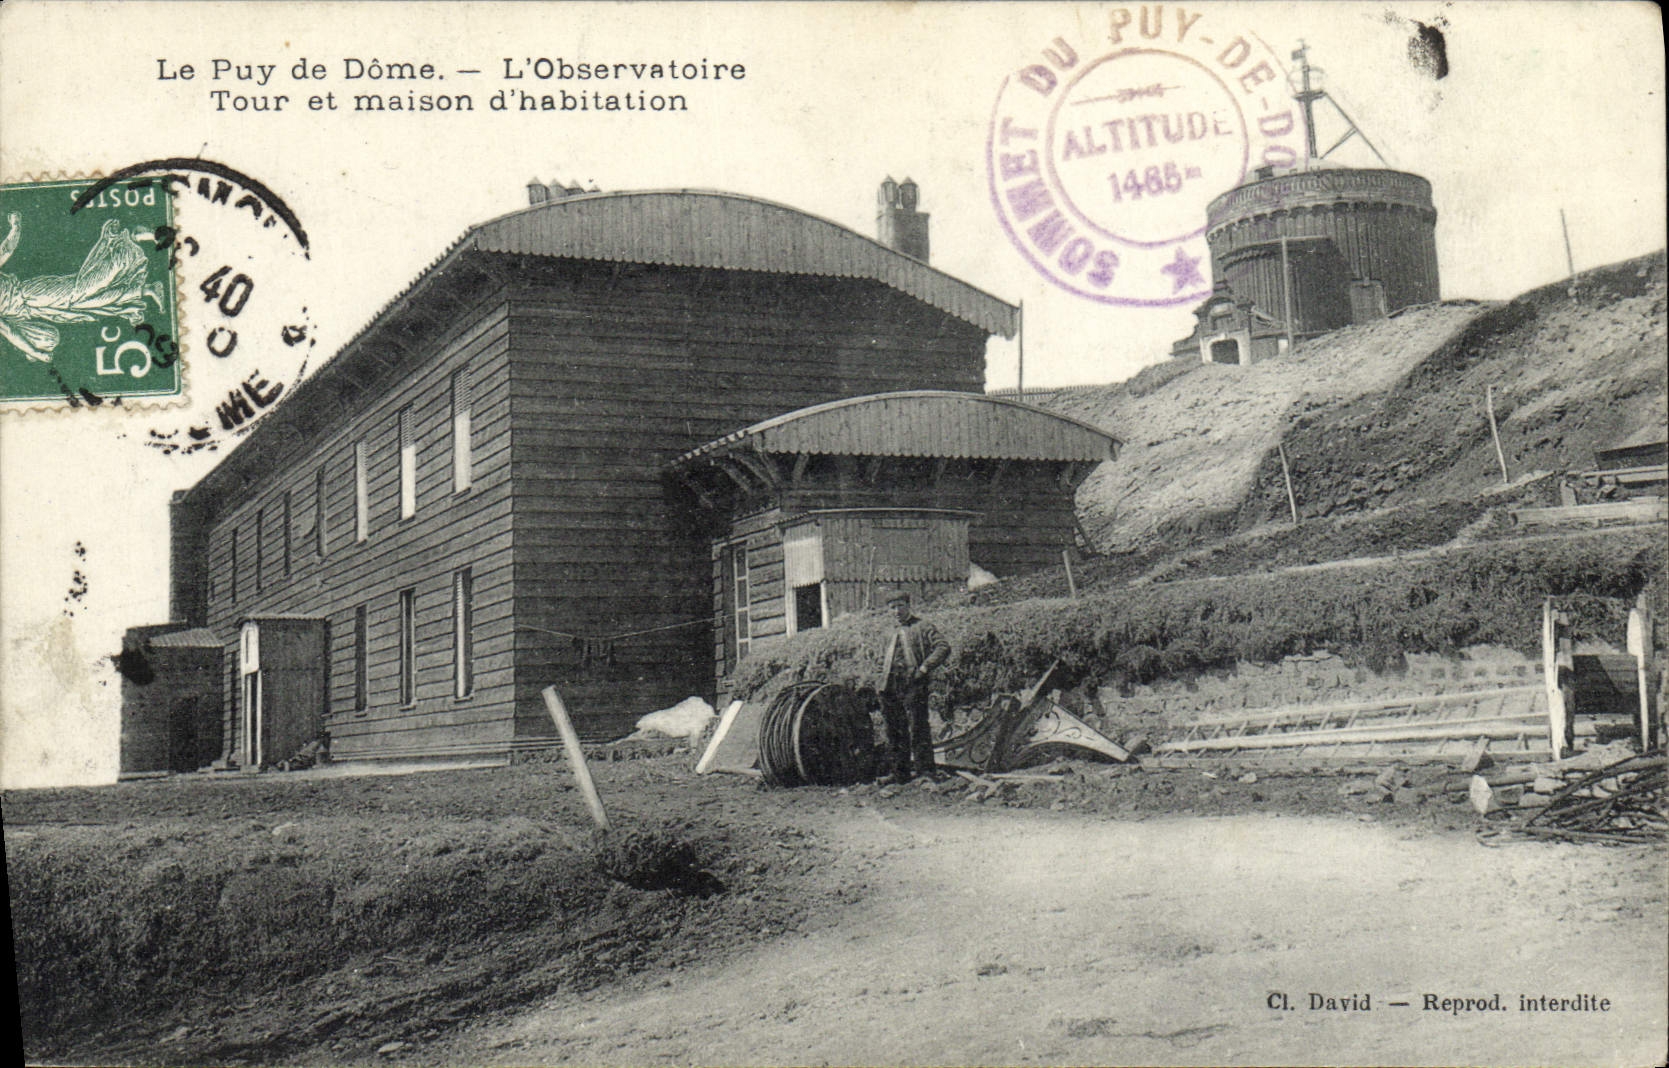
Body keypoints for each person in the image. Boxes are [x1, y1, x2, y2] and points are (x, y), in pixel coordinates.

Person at [877, 588, 950, 783]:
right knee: (894, 728)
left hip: (913, 682)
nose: (896, 611)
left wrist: (925, 667)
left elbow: (942, 646)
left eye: (900, 606)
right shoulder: (887, 632)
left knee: (918, 727)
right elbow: (880, 659)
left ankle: (925, 772)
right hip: (890, 685)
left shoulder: (923, 627)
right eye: (892, 608)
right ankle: (899, 773)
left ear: (908, 606)